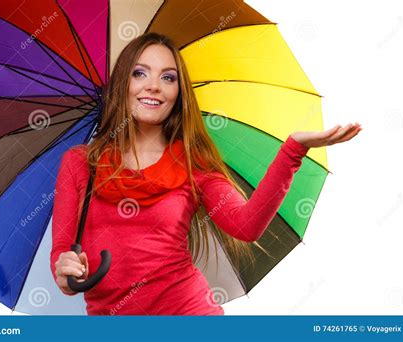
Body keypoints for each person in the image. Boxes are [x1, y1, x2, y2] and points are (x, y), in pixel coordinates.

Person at [50, 32, 361, 315]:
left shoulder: (192, 165)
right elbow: (62, 264)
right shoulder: (80, 164)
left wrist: (293, 150)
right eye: (140, 73)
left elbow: (246, 226)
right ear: (122, 85)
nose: (154, 86)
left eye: (168, 77)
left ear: (178, 93)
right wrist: (66, 271)